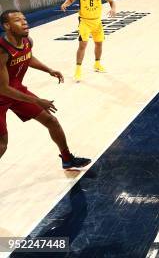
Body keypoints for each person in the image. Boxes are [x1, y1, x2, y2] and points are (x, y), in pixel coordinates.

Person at [0, 10, 91, 169]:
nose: (24, 22)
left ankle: (67, 159)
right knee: (2, 145)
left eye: (24, 19)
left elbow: (28, 57)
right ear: (6, 26)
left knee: (51, 121)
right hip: (2, 95)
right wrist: (38, 101)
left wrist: (48, 69)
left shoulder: (27, 41)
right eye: (17, 20)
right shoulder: (2, 50)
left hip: (16, 91)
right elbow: (4, 89)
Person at [60, 0, 116, 82]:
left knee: (99, 43)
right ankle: (78, 71)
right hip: (84, 22)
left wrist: (113, 8)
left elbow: (111, 1)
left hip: (97, 22)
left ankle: (97, 64)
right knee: (83, 45)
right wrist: (65, 4)